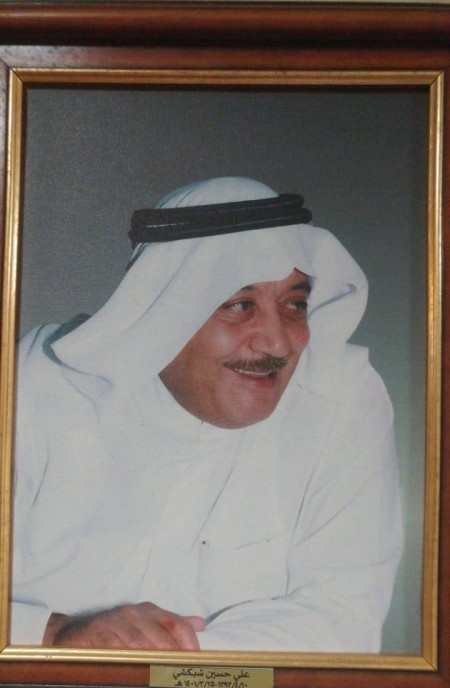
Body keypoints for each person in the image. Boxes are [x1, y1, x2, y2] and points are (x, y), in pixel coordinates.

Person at [11, 176, 403, 652]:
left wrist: (156, 660)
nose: (278, 342)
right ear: (166, 309)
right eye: (239, 305)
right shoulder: (37, 381)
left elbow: (344, 619)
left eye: (294, 304)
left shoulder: (342, 398)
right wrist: (52, 634)